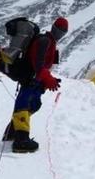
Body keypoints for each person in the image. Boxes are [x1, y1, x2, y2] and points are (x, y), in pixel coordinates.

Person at [5, 17, 69, 153]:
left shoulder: (49, 41)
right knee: (24, 104)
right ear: (53, 28)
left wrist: (48, 79)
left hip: (35, 80)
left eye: (63, 32)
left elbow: (43, 66)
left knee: (33, 105)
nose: (60, 34)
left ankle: (11, 134)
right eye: (60, 30)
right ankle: (21, 141)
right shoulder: (44, 41)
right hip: (31, 78)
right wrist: (47, 78)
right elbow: (38, 64)